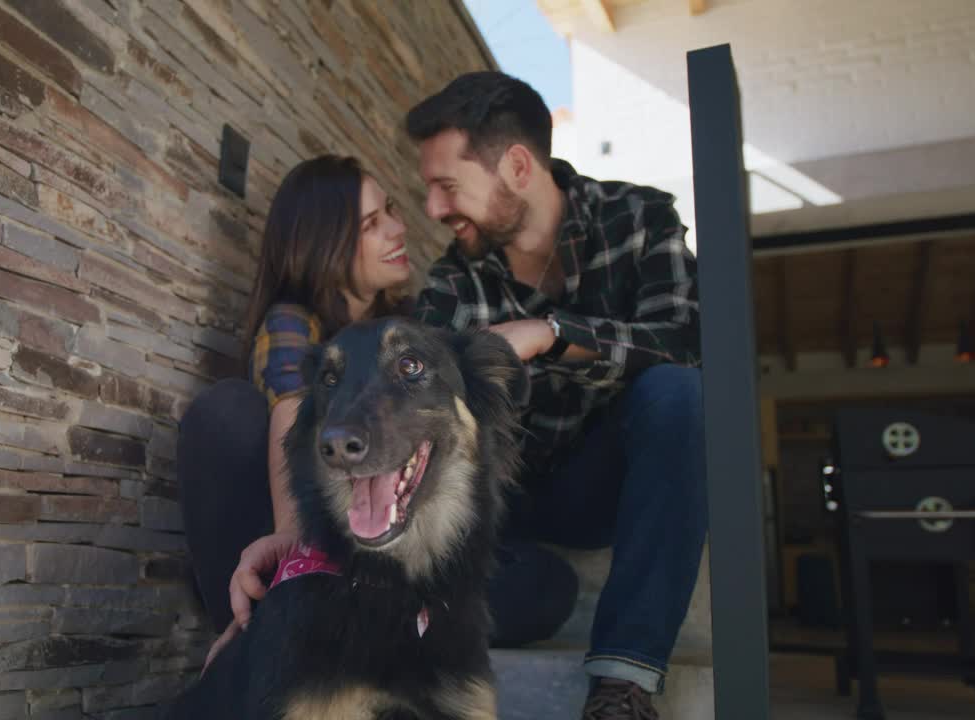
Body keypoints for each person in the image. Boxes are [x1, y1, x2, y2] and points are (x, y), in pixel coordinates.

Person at [406, 71, 708, 720]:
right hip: (499, 501)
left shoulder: (640, 219)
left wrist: (551, 334)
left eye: (447, 186)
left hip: (596, 484)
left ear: (517, 165)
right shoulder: (451, 283)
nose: (432, 209)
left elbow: (682, 340)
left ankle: (624, 682)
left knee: (680, 393)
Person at [176, 154, 413, 665]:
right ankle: (255, 626)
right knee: (226, 410)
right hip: (304, 530)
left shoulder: (409, 327)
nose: (398, 228)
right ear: (325, 244)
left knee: (545, 588)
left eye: (390, 211)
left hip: (384, 540)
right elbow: (293, 408)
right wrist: (290, 544)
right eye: (373, 224)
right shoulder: (291, 322)